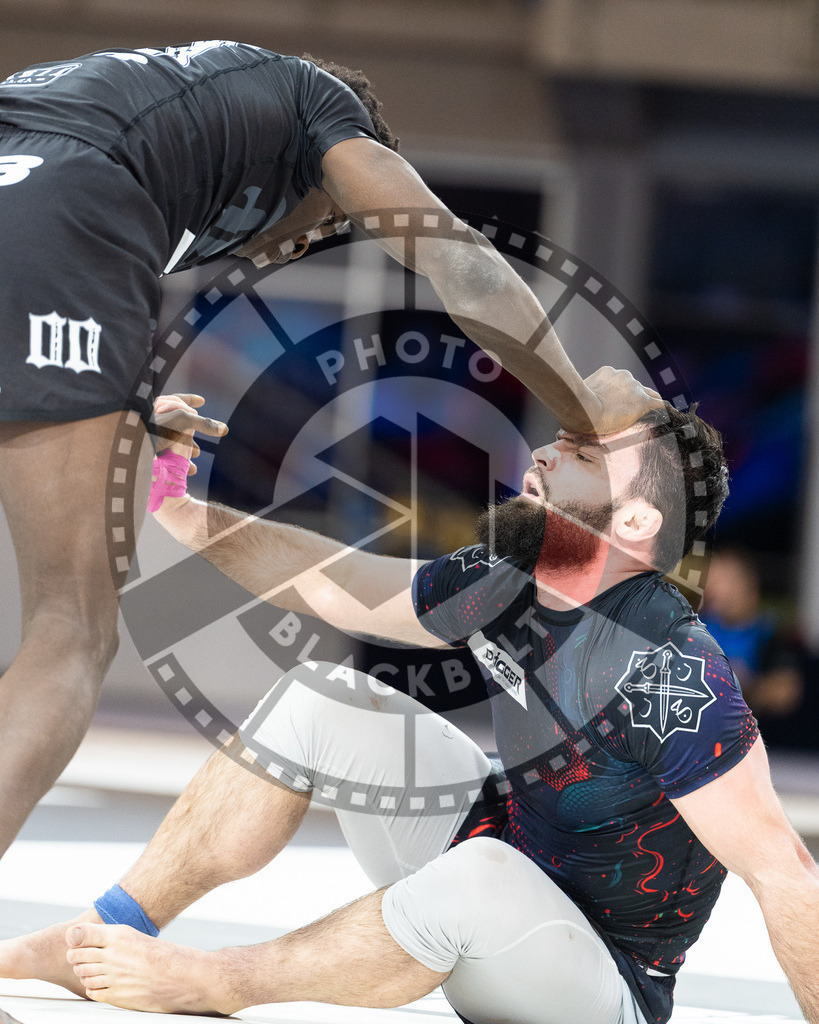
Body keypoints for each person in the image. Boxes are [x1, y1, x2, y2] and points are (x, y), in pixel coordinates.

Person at [0, 39, 665, 859]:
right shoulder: (320, 104)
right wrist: (583, 417)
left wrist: (122, 405)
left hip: (35, 197)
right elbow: (462, 265)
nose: (303, 245)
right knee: (71, 631)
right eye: (332, 222)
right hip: (65, 210)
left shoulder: (160, 118)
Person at [1, 394, 817, 1024]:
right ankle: (107, 928)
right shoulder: (510, 575)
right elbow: (336, 583)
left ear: (634, 519)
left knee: (480, 874)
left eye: (579, 453)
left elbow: (784, 872)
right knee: (324, 697)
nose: (541, 451)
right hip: (498, 856)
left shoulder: (672, 673)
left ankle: (218, 981)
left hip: (593, 980)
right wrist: (174, 497)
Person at [700, 548, 806, 743]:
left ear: (748, 584)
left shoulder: (772, 631)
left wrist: (741, 686)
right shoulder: (697, 629)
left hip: (764, 747)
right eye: (712, 578)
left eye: (724, 580)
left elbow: (786, 693)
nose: (713, 587)